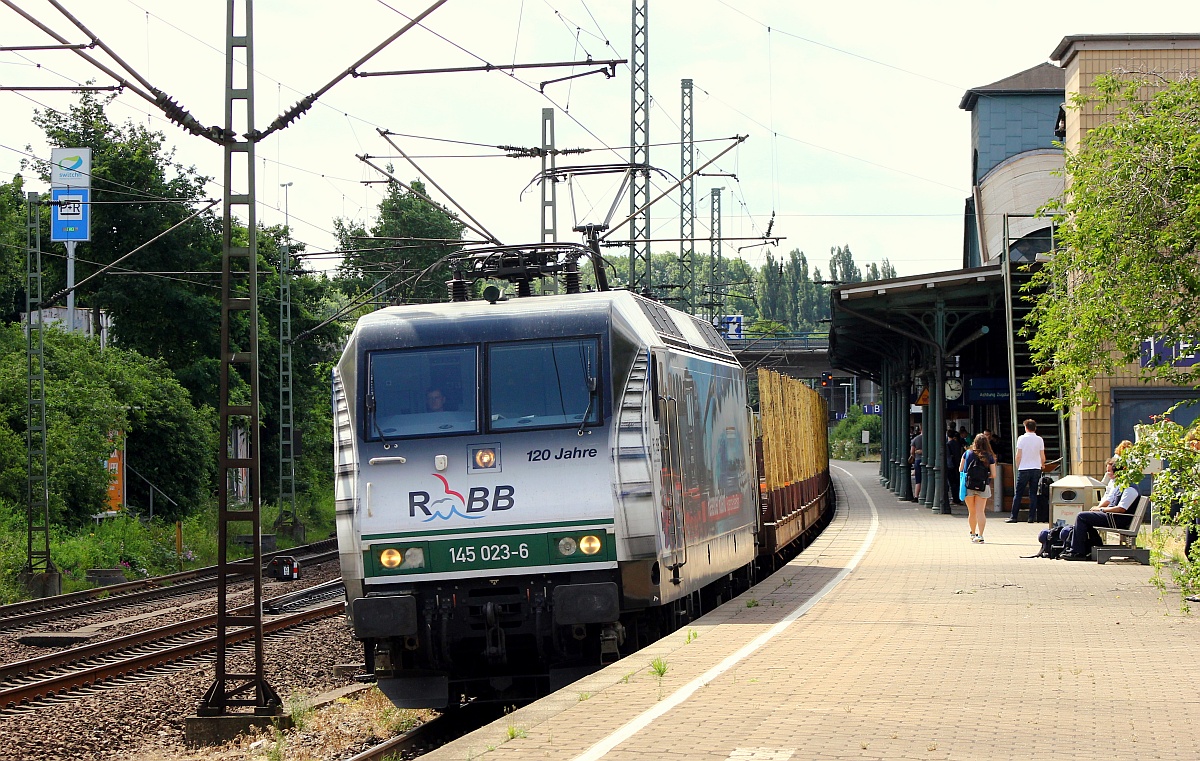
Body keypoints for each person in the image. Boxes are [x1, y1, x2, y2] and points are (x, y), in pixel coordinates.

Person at [1060, 458, 1140, 560]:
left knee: (1082, 516)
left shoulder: (1130, 489)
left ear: (1118, 472)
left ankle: (1077, 552)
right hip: (1113, 517)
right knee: (1086, 517)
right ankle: (1093, 545)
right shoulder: (1121, 485)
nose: (1108, 474)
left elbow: (1121, 509)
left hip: (1117, 520)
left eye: (1110, 471)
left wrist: (1102, 510)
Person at [960, 433, 996, 543]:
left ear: (974, 442)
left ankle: (972, 533)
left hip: (969, 485)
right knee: (980, 511)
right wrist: (984, 476)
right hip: (983, 486)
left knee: (972, 512)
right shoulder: (989, 456)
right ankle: (980, 536)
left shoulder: (967, 453)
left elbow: (961, 469)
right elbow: (993, 474)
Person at [1008, 419, 1045, 523]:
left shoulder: (1021, 439)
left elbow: (1018, 455)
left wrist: (1018, 465)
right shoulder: (1039, 439)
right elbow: (1042, 455)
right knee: (1033, 493)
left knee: (1018, 493)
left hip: (1024, 468)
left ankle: (1014, 517)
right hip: (1036, 468)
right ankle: (1031, 517)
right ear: (1035, 428)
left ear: (1025, 427)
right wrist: (1042, 464)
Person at [945, 425, 966, 506]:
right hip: (959, 465)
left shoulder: (948, 444)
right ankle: (959, 498)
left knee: (952, 483)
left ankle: (955, 499)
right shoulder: (959, 444)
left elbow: (948, 456)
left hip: (951, 466)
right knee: (958, 482)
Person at [909, 425, 923, 501]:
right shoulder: (932, 438)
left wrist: (915, 454)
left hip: (918, 460)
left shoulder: (915, 439)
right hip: (928, 461)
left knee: (918, 479)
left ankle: (916, 496)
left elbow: (912, 451)